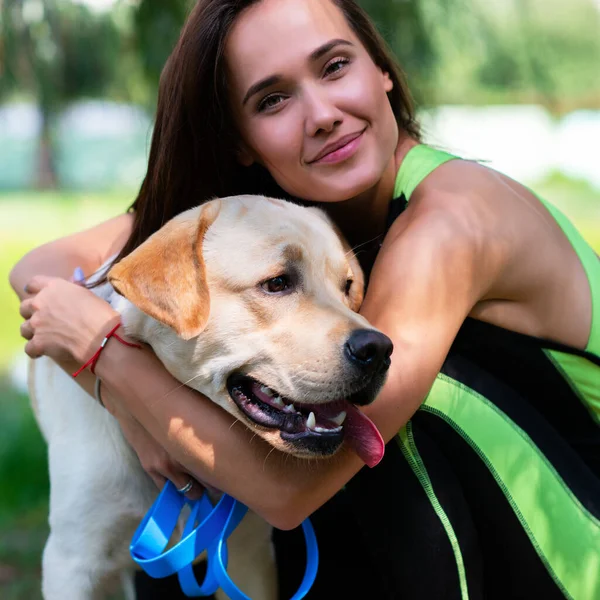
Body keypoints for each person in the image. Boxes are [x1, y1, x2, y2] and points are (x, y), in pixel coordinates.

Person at [10, 0, 600, 598]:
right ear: (240, 141)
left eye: (336, 66)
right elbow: (42, 272)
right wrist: (131, 414)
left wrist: (104, 358)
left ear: (382, 70)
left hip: (577, 539)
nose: (321, 115)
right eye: (272, 100)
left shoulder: (453, 222)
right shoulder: (267, 217)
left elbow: (287, 494)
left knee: (388, 408)